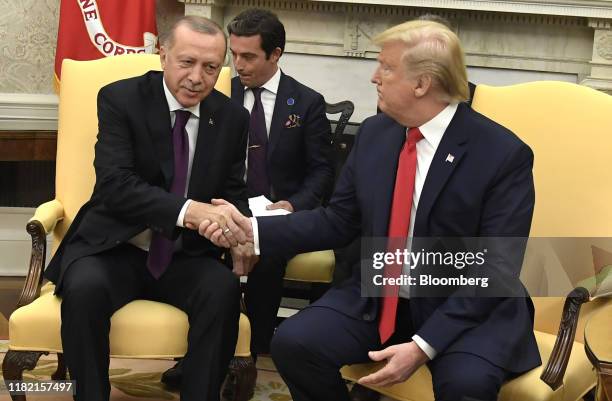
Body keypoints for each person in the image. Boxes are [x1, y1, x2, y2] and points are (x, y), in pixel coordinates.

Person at [203, 20, 541, 401]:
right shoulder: (376, 134)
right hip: (380, 296)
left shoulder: (501, 154)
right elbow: (338, 220)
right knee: (295, 344)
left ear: (422, 83)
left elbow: (493, 269)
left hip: (466, 308)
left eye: (387, 67)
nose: (374, 77)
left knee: (466, 385)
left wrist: (422, 346)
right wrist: (253, 230)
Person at [43, 16, 254, 401]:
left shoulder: (232, 118)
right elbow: (115, 185)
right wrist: (191, 211)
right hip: (113, 247)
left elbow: (232, 193)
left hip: (184, 253)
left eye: (210, 68)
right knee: (84, 288)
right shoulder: (120, 98)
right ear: (162, 53)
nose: (197, 77)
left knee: (222, 288)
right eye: (186, 62)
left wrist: (236, 230)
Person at [161, 8, 334, 389]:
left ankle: (247, 355)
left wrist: (292, 206)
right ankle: (192, 357)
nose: (237, 65)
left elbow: (322, 171)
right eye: (233, 55)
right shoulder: (212, 91)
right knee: (196, 254)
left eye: (249, 56)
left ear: (276, 54)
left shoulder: (306, 103)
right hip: (220, 207)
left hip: (277, 213)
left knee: (266, 255)